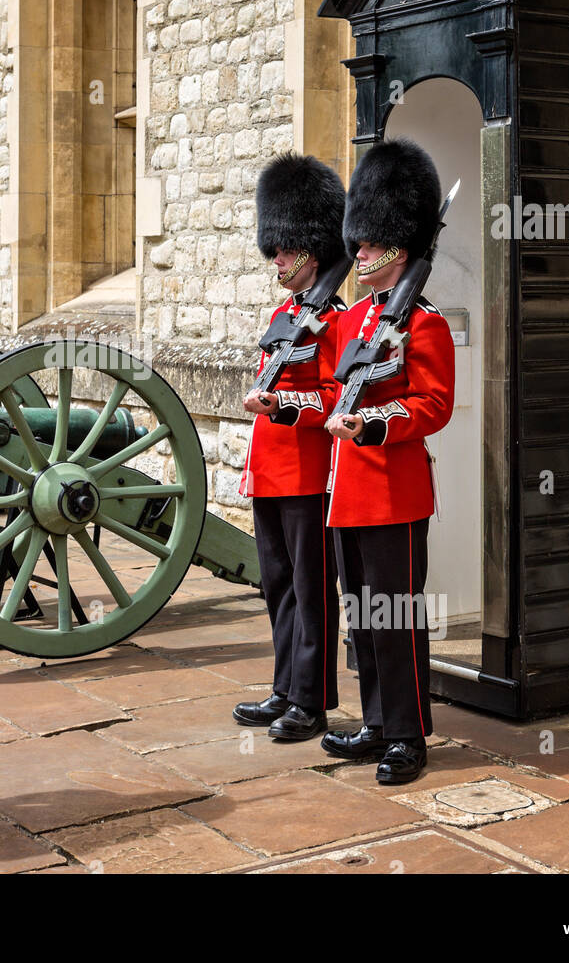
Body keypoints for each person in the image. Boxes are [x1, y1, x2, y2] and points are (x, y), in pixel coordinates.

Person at [321, 138, 455, 785]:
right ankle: (376, 721)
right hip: (347, 491)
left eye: (369, 246)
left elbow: (433, 407)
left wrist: (370, 423)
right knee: (362, 615)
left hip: (395, 491)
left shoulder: (422, 322)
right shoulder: (354, 322)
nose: (359, 255)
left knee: (395, 616)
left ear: (398, 248)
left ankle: (408, 734)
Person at [234, 152, 347, 741]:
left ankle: (312, 698)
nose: (275, 257)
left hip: (308, 472)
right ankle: (285, 686)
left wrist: (285, 409)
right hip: (271, 470)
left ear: (311, 247)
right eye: (273, 247)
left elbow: (336, 397)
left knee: (311, 591)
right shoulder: (286, 313)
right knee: (277, 584)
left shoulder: (337, 320)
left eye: (284, 248)